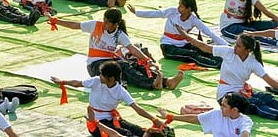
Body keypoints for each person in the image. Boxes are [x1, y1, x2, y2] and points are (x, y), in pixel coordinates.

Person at [174, 30, 278, 122]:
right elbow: (205, 47)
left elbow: (268, 79)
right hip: (226, 96)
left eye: (238, 46)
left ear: (247, 50)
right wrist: (187, 36)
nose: (235, 47)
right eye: (236, 44)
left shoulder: (252, 62)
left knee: (267, 97)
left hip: (242, 91)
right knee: (255, 103)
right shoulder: (228, 52)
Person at [50, 8, 183, 91]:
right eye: (105, 21)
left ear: (116, 24)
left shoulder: (119, 34)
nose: (105, 24)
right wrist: (56, 21)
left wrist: (147, 60)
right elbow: (75, 25)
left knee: (136, 64)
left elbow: (132, 49)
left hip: (111, 61)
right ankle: (152, 84)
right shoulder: (95, 25)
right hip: (95, 66)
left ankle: (166, 81)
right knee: (124, 66)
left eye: (109, 23)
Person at [53, 61, 163, 137]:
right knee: (126, 134)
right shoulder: (96, 81)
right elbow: (77, 83)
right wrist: (62, 82)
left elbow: (137, 108)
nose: (99, 76)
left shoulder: (120, 91)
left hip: (113, 119)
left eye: (102, 75)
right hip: (96, 122)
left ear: (111, 78)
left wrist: (154, 120)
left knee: (139, 130)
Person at [127, 0, 227, 68]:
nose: (178, 7)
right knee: (191, 54)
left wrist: (227, 46)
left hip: (184, 44)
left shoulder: (194, 19)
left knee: (202, 49)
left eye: (181, 6)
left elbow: (209, 33)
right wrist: (137, 12)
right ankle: (216, 65)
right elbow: (156, 13)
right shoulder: (172, 12)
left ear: (188, 9)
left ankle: (224, 60)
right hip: (168, 47)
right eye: (179, 5)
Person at [157, 93, 253, 137]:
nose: (221, 108)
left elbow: (245, 133)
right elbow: (194, 118)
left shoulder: (245, 121)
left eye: (224, 106)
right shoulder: (217, 114)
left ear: (235, 109)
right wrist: (170, 116)